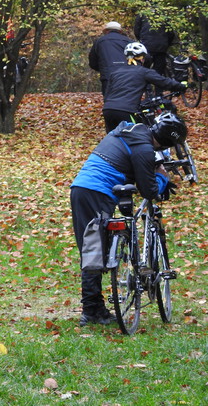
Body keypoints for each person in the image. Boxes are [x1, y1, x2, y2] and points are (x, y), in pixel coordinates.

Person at [70, 113, 185, 326]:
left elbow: (126, 160)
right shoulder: (144, 149)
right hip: (96, 192)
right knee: (94, 251)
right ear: (168, 142)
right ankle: (91, 311)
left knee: (95, 249)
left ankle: (94, 308)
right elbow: (149, 191)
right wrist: (161, 177)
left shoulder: (131, 130)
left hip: (83, 189)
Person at [102, 42, 186, 132]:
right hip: (126, 111)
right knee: (134, 139)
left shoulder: (115, 72)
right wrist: (182, 86)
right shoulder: (143, 72)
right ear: (142, 58)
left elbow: (107, 94)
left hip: (108, 110)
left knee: (114, 141)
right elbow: (164, 82)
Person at [133, 0, 175, 76]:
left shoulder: (142, 14)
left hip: (146, 45)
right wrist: (168, 43)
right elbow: (170, 32)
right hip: (161, 46)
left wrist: (140, 40)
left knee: (145, 68)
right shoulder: (164, 15)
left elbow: (136, 30)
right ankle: (158, 87)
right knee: (159, 69)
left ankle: (146, 86)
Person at [88, 21, 131, 95]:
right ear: (120, 31)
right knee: (126, 97)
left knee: (109, 99)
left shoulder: (99, 41)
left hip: (107, 74)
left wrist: (102, 68)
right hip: (127, 75)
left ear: (106, 31)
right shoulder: (128, 41)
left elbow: (93, 62)